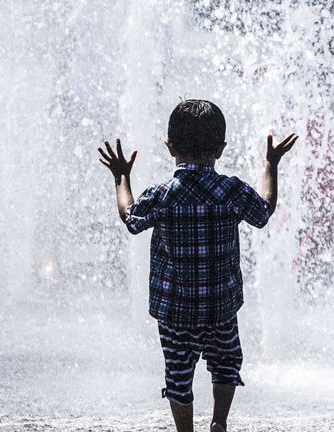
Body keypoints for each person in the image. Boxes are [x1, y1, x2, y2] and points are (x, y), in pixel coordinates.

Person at [97, 99, 298, 432]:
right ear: (220, 149)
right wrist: (271, 164)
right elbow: (264, 211)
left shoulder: (162, 195)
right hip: (220, 308)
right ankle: (219, 421)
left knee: (178, 372)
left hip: (176, 312)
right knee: (226, 362)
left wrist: (121, 178)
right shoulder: (231, 189)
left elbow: (130, 219)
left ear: (169, 145)